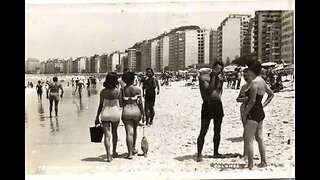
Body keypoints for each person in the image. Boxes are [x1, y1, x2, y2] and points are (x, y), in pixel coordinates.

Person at [242, 61, 274, 170]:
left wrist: (245, 112)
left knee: (249, 139)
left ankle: (250, 165)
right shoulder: (262, 81)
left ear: (251, 70)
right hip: (260, 111)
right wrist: (264, 105)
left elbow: (252, 101)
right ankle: (263, 161)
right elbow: (271, 94)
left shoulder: (254, 83)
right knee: (260, 138)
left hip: (253, 112)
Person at [197, 61, 225, 162]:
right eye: (217, 68)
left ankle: (216, 152)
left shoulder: (220, 79)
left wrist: (218, 80)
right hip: (207, 104)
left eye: (220, 69)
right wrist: (214, 77)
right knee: (203, 130)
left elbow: (219, 92)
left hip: (217, 104)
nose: (219, 71)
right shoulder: (203, 77)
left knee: (217, 130)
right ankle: (199, 154)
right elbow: (208, 90)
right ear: (212, 68)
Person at [95, 72, 122, 162]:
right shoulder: (118, 91)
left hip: (105, 113)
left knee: (107, 135)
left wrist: (96, 117)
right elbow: (121, 104)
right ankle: (114, 152)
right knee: (114, 133)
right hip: (115, 112)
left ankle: (108, 156)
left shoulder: (103, 92)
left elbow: (100, 105)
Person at [121, 72, 144, 159]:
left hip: (126, 110)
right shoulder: (138, 89)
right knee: (135, 130)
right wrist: (143, 113)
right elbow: (140, 103)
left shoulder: (122, 90)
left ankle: (129, 153)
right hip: (136, 110)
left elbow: (120, 104)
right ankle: (133, 148)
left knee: (129, 133)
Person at [236, 68, 251, 158]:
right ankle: (245, 153)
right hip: (244, 108)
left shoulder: (256, 85)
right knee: (246, 130)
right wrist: (243, 99)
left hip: (253, 109)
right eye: (244, 76)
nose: (245, 77)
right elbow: (238, 99)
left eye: (247, 76)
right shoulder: (244, 87)